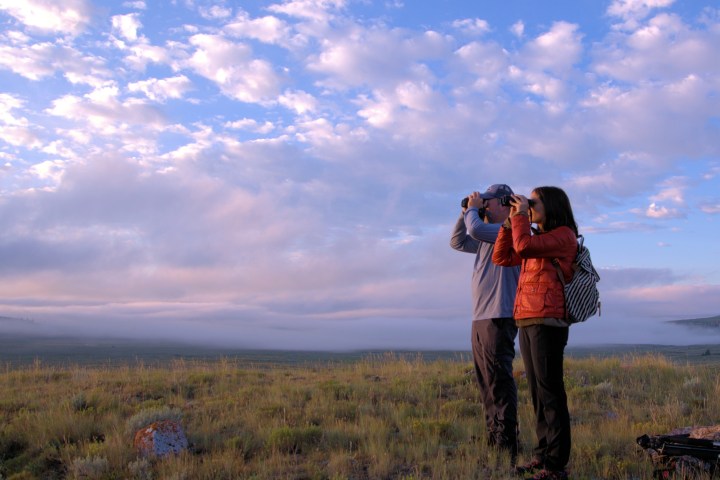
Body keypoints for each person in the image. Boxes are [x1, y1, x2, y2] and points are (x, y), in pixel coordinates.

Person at [492, 186, 579, 480]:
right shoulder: (536, 237)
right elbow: (502, 257)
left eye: (534, 201)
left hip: (548, 321)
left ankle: (556, 465)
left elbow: (524, 248)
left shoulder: (563, 236)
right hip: (528, 318)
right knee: (538, 394)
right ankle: (544, 456)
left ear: (552, 205)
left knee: (550, 392)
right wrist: (508, 224)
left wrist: (518, 217)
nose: (529, 205)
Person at [450, 184, 521, 460]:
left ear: (504, 203)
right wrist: (464, 211)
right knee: (486, 381)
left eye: (488, 202)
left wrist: (472, 211)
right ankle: (494, 438)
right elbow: (457, 241)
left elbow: (475, 229)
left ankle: (506, 445)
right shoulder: (486, 236)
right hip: (481, 315)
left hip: (499, 313)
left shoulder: (511, 230)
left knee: (499, 381)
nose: (485, 206)